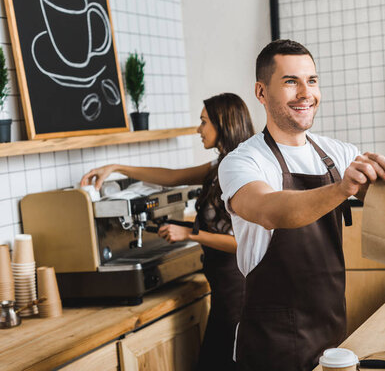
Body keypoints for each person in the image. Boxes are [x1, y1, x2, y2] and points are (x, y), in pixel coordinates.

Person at [218, 40, 385, 371]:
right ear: (261, 92)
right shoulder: (242, 161)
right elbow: (270, 210)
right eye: (291, 81)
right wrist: (341, 188)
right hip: (269, 347)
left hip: (332, 333)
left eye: (312, 80)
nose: (305, 93)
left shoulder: (336, 154)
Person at [80, 93, 255, 371]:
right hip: (223, 291)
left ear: (223, 123)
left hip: (238, 293)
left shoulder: (239, 169)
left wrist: (189, 235)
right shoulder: (220, 165)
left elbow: (242, 242)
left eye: (203, 122)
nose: (198, 129)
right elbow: (172, 176)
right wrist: (117, 167)